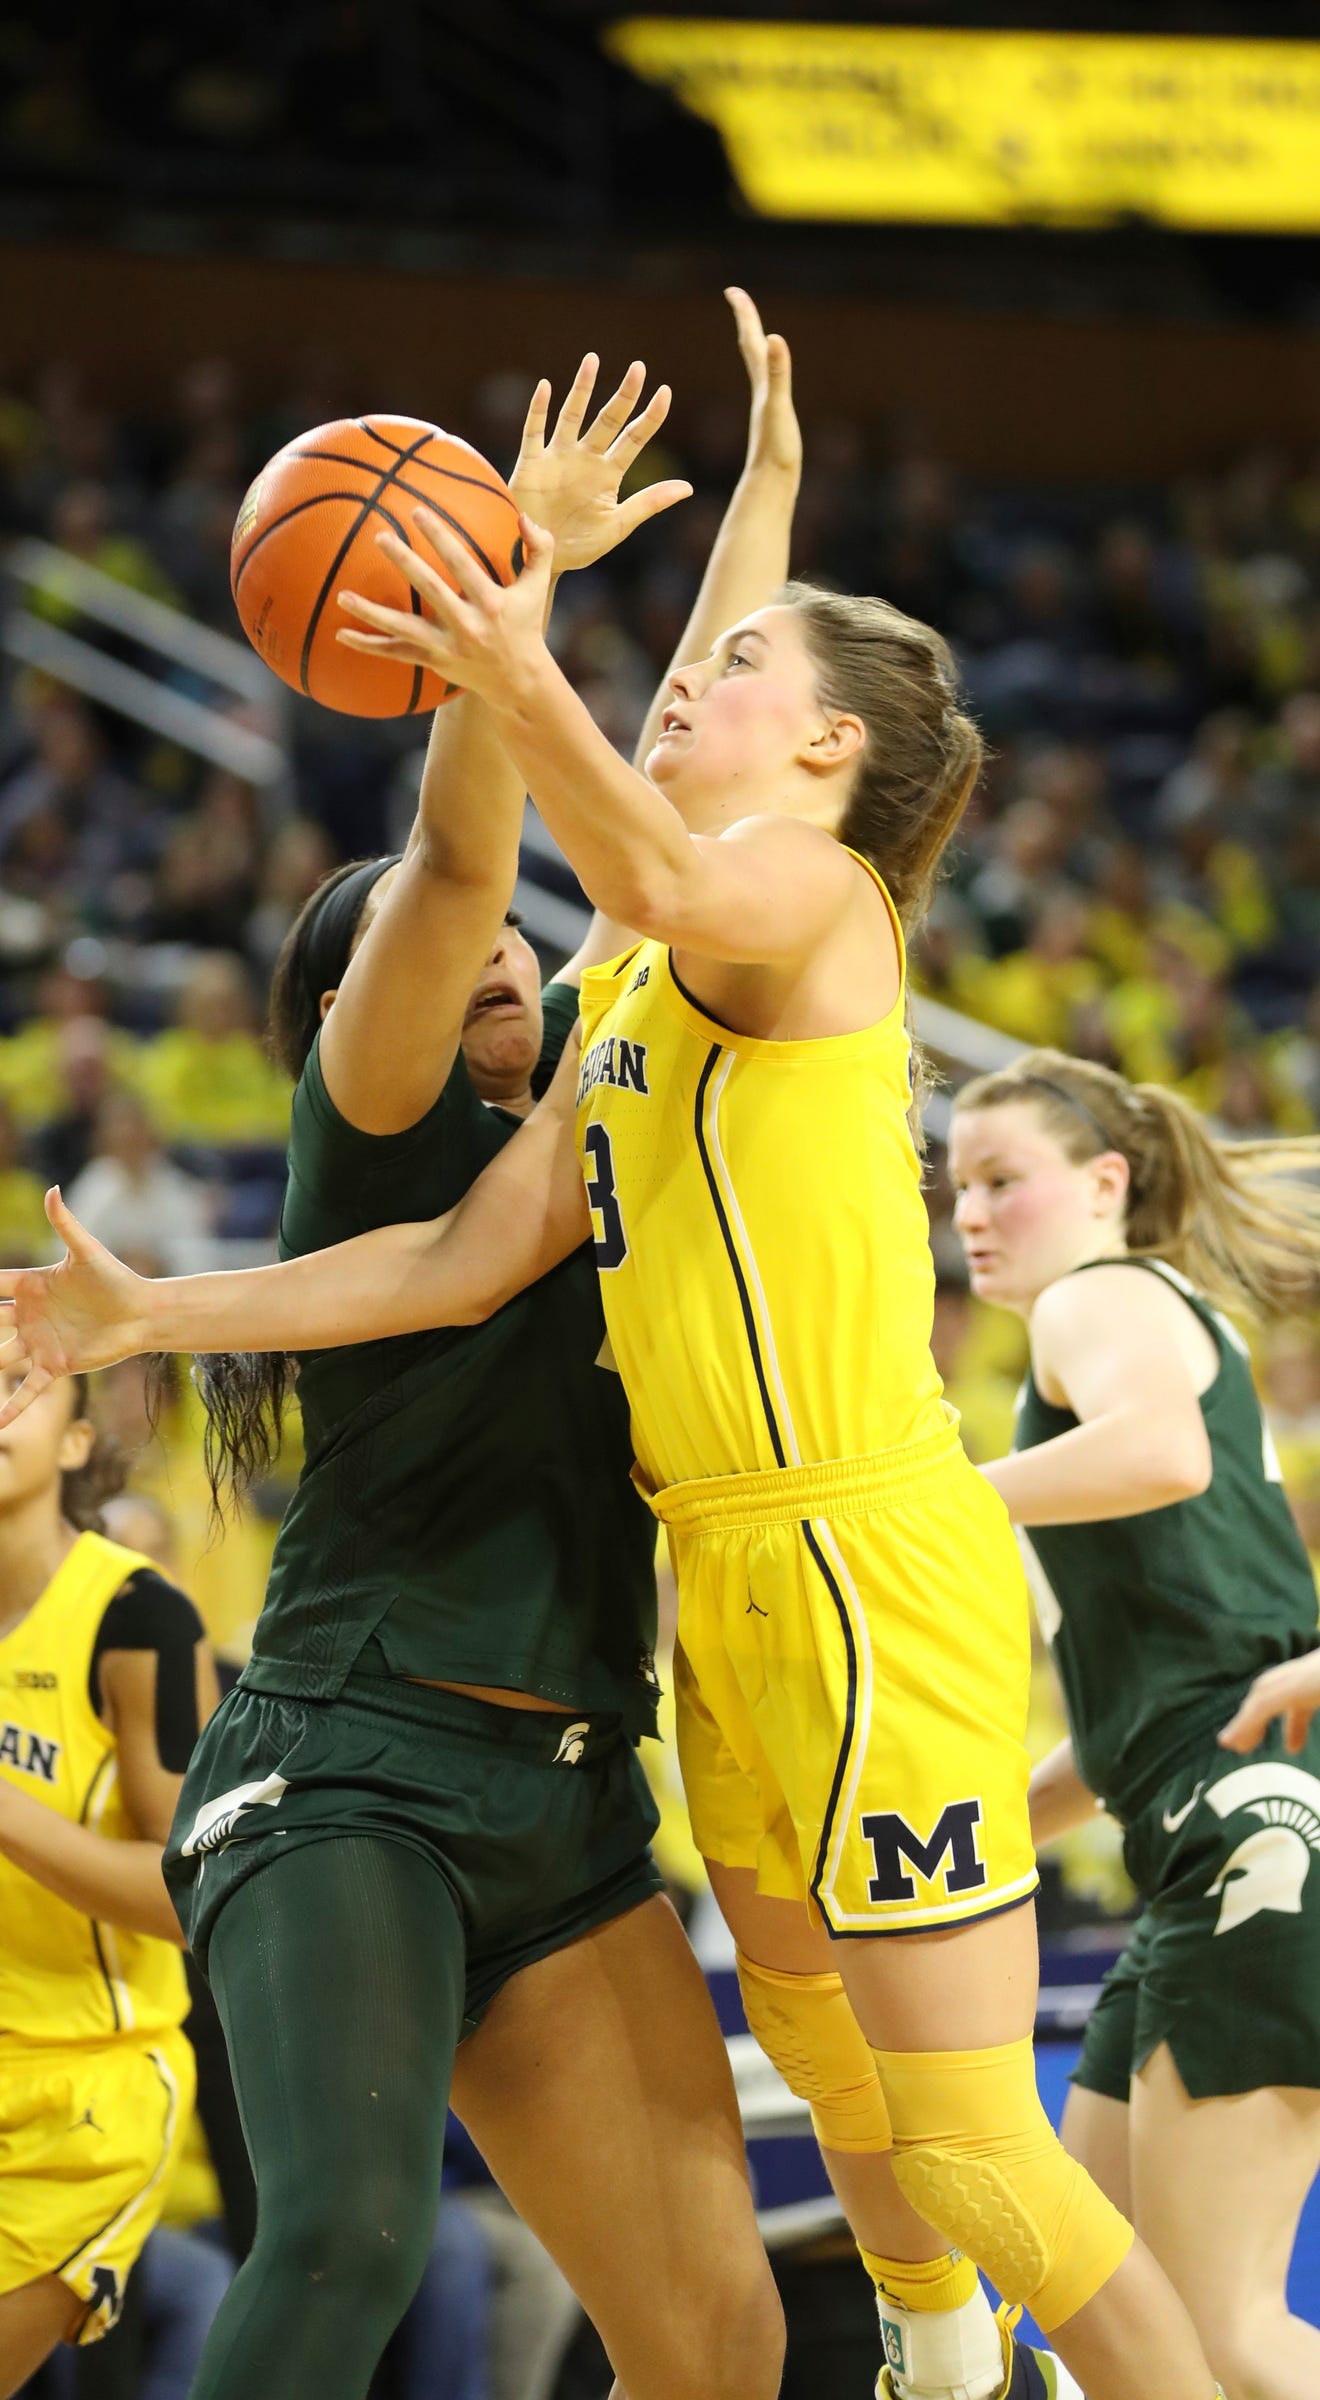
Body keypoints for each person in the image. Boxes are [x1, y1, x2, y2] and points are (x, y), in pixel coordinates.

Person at [0, 344, 1231, 2400]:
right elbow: (472, 1175)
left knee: (874, 2217)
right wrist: (159, 1315)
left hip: (765, 1619)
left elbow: (683, 823)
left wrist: (606, 580)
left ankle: (986, 2351)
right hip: (554, 1668)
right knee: (691, 2135)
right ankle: (946, 2353)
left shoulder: (722, 958)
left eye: (737, 661)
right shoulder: (508, 1040)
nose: (683, 679)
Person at [4, 318, 793, 2400]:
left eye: (532, 940)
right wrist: (502, 602)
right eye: (443, 953)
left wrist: (753, 523)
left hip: (567, 1798)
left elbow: (658, 808)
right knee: (345, 2247)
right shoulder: (370, 1130)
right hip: (347, 1769)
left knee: (718, 2340)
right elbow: (459, 857)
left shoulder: (598, 1113)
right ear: (347, 1004)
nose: (502, 939)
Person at [947, 1047, 1320, 2398]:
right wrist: (968, 1833)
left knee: (1224, 2338)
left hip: (1253, 1842)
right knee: (1128, 2343)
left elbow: (1163, 1449)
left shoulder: (1095, 1301)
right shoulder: (1143, 1313)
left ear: (1104, 1184)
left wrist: (933, 1501)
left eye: (1003, 1180)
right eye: (956, 1187)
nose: (972, 1213)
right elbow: (1156, 1723)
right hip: (1195, 1842)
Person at [0, 1366, 219, 2397]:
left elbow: (197, 1893)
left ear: (80, 1442)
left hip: (80, 2097)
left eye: (16, 1384)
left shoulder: (138, 1619)